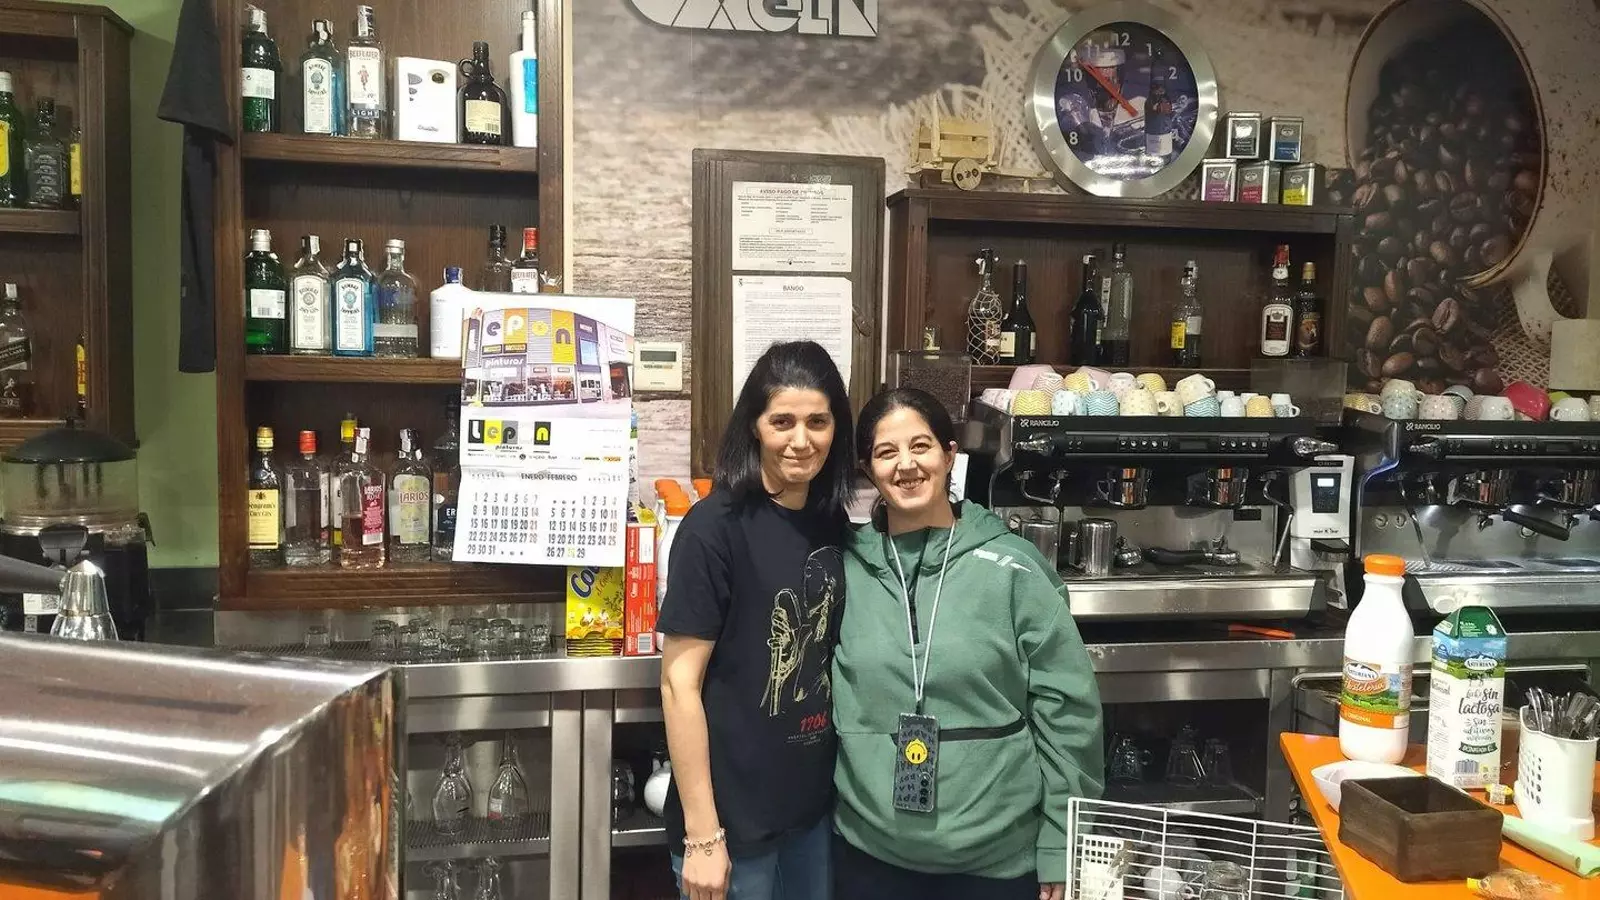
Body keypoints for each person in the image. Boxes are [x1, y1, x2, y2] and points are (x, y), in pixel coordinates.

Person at [832, 387, 1105, 900]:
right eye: (887, 452)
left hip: (996, 863)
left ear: (949, 454)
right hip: (867, 856)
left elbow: (1069, 713)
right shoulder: (844, 568)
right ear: (868, 469)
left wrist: (1061, 840)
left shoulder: (1014, 568)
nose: (906, 465)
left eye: (921, 446)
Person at [658, 340, 855, 900]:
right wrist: (703, 836)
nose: (801, 440)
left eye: (818, 422)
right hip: (730, 827)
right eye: (782, 421)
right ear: (754, 426)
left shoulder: (830, 522)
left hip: (811, 818)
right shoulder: (713, 528)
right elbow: (678, 684)